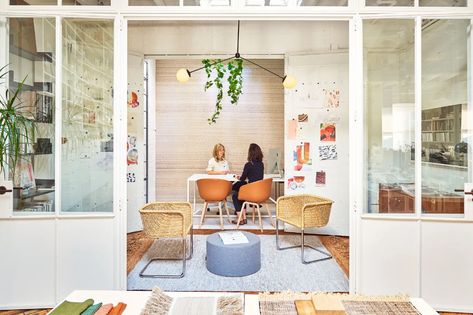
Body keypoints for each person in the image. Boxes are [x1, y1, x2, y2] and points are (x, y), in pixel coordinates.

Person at [231, 143, 264, 225]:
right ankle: (244, 217)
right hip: (259, 192)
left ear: (250, 153)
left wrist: (238, 177)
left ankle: (240, 218)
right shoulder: (261, 165)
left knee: (235, 195)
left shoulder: (248, 165)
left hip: (251, 192)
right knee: (241, 186)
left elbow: (242, 178)